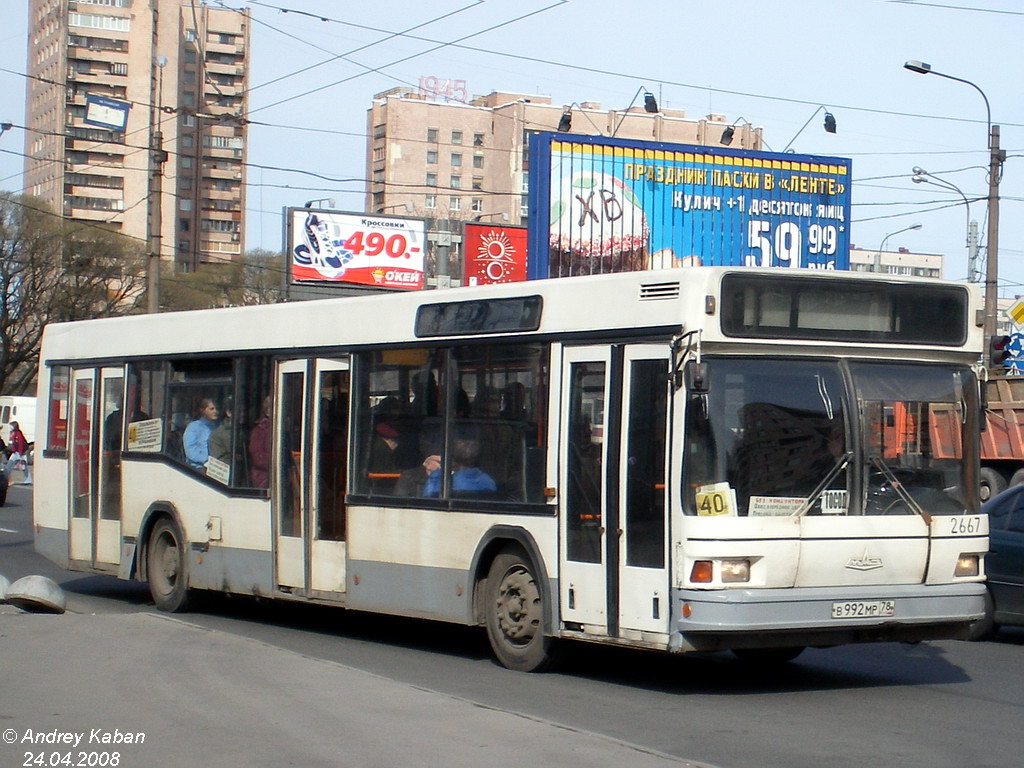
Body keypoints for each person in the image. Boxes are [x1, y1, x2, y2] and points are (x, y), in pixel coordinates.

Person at [183, 399, 219, 470]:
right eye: (211, 409)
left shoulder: (218, 426)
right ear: (203, 410)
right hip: (198, 468)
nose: (215, 411)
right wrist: (207, 460)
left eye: (217, 408)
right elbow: (191, 451)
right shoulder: (194, 427)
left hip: (217, 468)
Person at [248, 395, 272, 489]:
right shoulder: (259, 431)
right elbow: (258, 459)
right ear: (268, 412)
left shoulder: (284, 431)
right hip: (263, 479)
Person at [7, 421, 31, 485]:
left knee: (23, 466)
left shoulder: (18, 433)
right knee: (9, 466)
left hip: (20, 453)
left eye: (11, 426)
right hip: (15, 452)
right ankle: (7, 480)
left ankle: (28, 479)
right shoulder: (12, 433)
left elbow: (20, 444)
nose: (9, 427)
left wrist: (20, 453)